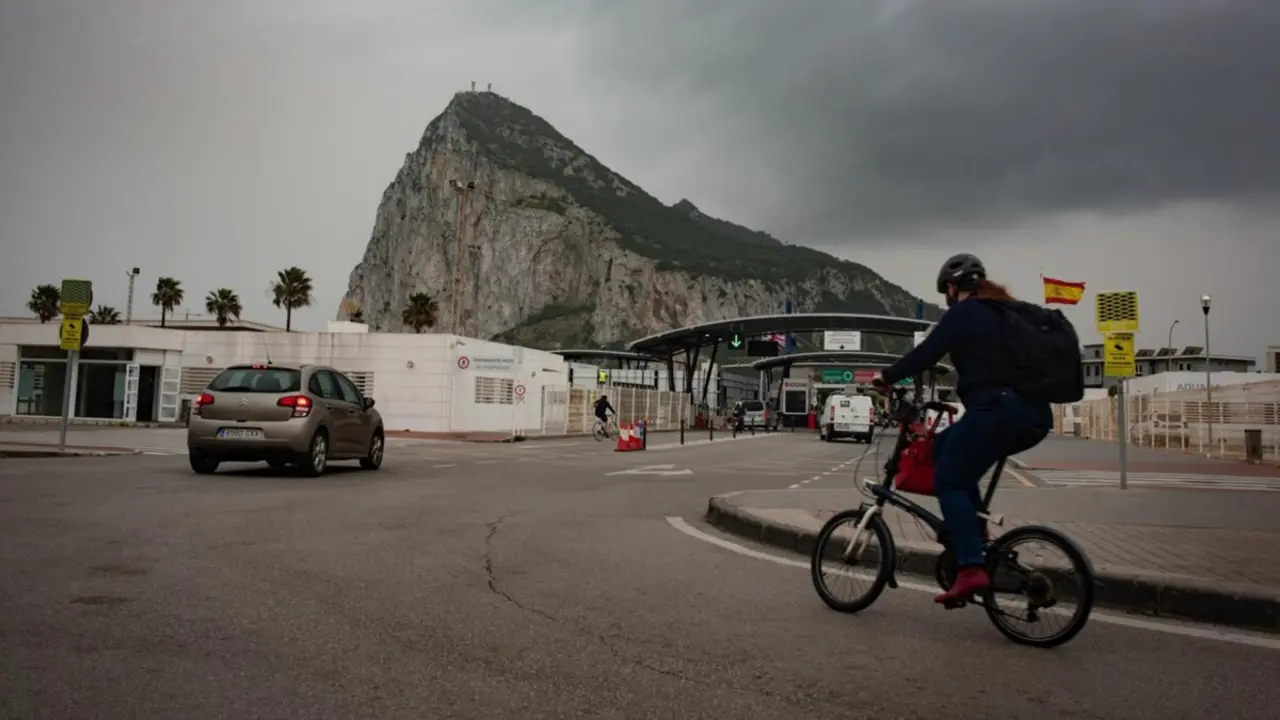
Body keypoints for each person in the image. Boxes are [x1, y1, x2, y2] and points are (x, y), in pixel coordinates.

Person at [872, 253, 1053, 606]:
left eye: (947, 294)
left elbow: (927, 352)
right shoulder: (1009, 312)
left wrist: (886, 376)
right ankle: (974, 530)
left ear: (953, 289)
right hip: (1034, 415)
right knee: (944, 450)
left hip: (995, 411)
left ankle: (970, 566)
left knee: (949, 480)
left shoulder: (967, 313)